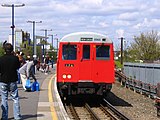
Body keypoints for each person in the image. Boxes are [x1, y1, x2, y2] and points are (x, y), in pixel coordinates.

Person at [0, 42, 22, 120]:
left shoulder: (1, 59)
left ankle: (4, 117)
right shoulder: (15, 58)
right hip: (13, 80)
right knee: (15, 98)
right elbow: (18, 67)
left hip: (3, 80)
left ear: (4, 50)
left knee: (4, 99)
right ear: (12, 50)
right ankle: (17, 116)